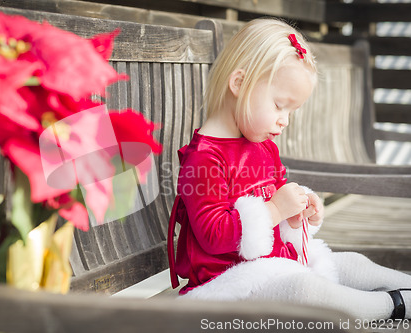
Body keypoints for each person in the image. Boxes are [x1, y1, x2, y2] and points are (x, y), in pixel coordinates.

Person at [167, 17, 411, 321]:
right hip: (228, 286)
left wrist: (300, 210)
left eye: (291, 111)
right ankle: (393, 306)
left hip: (276, 266)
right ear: (239, 84)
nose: (285, 120)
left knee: (352, 264)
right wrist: (273, 211)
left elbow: (280, 197)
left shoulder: (262, 144)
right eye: (279, 105)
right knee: (306, 291)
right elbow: (213, 235)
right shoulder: (204, 158)